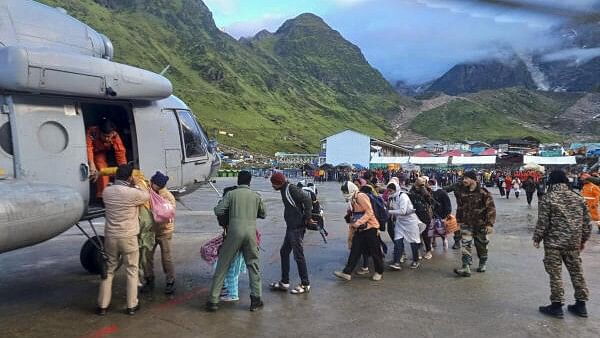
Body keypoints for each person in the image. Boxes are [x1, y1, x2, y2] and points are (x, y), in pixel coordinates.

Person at [534, 170, 592, 318]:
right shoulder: (577, 198)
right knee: (577, 273)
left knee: (555, 275)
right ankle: (581, 305)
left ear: (551, 181)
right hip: (573, 243)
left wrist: (537, 237)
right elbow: (587, 223)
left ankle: (557, 305)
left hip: (554, 244)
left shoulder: (548, 198)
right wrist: (583, 240)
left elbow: (543, 222)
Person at [207, 171, 266, 312]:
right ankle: (256, 300)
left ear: (238, 180)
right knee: (253, 266)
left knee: (223, 265)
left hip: (233, 233)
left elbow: (218, 210)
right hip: (251, 233)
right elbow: (263, 214)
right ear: (250, 181)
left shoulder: (231, 194)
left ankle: (213, 301)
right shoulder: (256, 196)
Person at [97, 163, 150, 316]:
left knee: (109, 270)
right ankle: (132, 305)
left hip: (111, 237)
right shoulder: (132, 193)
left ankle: (102, 305)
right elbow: (146, 195)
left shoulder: (107, 192)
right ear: (129, 177)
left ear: (115, 176)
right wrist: (138, 182)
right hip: (128, 237)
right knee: (132, 270)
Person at [269, 172, 314, 294]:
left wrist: (308, 217)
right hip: (291, 227)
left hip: (297, 227)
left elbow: (307, 199)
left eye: (273, 183)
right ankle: (284, 282)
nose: (272, 186)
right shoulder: (284, 189)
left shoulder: (291, 188)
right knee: (284, 252)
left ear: (278, 183)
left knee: (298, 256)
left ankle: (305, 284)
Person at [334, 181, 384, 281]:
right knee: (355, 250)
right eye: (343, 191)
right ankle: (347, 272)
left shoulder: (360, 196)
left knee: (375, 251)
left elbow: (369, 211)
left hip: (371, 227)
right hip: (360, 228)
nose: (344, 193)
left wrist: (359, 222)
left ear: (351, 189)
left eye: (346, 191)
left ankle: (379, 271)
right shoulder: (352, 199)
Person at [454, 171, 496, 277]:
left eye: (467, 178)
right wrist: (458, 222)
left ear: (474, 179)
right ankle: (466, 267)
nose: (464, 180)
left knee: (481, 245)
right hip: (466, 223)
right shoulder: (462, 192)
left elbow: (491, 208)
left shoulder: (483, 192)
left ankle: (482, 263)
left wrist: (489, 224)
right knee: (465, 244)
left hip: (480, 224)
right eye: (463, 178)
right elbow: (460, 208)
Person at [141, 171, 177, 295]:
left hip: (164, 231)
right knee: (146, 256)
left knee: (166, 257)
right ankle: (149, 279)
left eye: (153, 184)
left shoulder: (167, 197)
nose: (151, 185)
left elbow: (168, 214)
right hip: (151, 231)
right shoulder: (149, 191)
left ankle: (170, 281)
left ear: (159, 185)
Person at [86, 119, 127, 200]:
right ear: (99, 132)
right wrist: (91, 164)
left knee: (114, 169)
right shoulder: (92, 132)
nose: (107, 139)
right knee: (101, 167)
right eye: (105, 136)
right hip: (95, 151)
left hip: (106, 152)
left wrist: (124, 170)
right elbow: (88, 147)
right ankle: (102, 196)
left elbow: (120, 152)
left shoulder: (115, 135)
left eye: (109, 136)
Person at [386, 181, 421, 270]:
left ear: (396, 189)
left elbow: (403, 211)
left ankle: (415, 260)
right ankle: (397, 262)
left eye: (391, 191)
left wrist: (389, 212)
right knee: (397, 241)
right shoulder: (391, 198)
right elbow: (391, 208)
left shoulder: (403, 196)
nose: (389, 192)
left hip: (410, 222)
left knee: (413, 242)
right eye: (388, 191)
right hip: (400, 222)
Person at [409, 177, 434, 260]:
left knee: (425, 234)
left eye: (422, 181)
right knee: (416, 234)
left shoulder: (427, 190)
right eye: (418, 180)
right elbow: (410, 196)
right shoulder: (412, 190)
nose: (419, 182)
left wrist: (422, 187)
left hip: (425, 215)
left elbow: (429, 200)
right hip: (415, 215)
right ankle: (419, 250)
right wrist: (416, 186)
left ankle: (428, 251)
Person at [429, 179, 452, 249]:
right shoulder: (427, 192)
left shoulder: (442, 192)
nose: (431, 185)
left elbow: (447, 204)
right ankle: (433, 241)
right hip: (431, 215)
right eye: (429, 184)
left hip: (441, 214)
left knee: (441, 230)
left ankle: (444, 241)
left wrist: (447, 215)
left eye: (432, 184)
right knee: (431, 230)